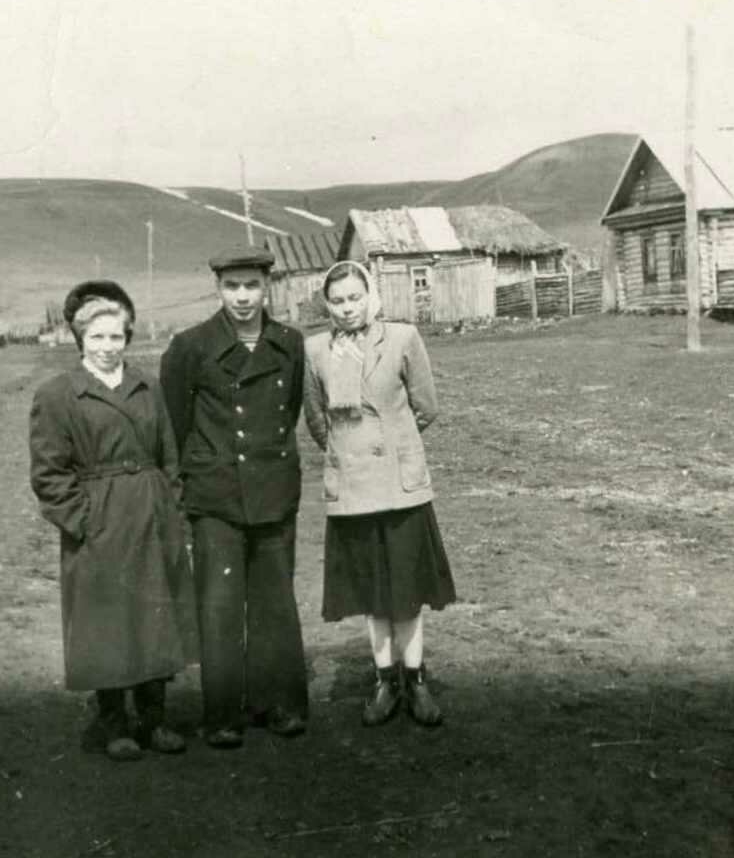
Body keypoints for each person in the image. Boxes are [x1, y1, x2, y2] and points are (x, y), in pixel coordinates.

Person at [28, 280, 195, 761]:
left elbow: (170, 457)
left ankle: (155, 717)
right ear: (80, 339)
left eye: (116, 337)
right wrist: (85, 523)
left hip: (150, 514)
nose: (107, 348)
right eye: (97, 338)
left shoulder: (147, 387)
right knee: (107, 621)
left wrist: (171, 509)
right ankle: (114, 720)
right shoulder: (58, 396)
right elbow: (49, 475)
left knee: (154, 617)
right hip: (100, 525)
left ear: (128, 337)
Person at [159, 247, 309, 747]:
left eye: (251, 286)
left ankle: (278, 704)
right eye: (232, 287)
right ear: (217, 289)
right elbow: (174, 428)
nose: (242, 297)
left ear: (268, 287)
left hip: (273, 490)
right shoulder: (190, 346)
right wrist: (188, 491)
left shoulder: (289, 343)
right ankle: (222, 714)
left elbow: (286, 413)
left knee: (274, 603)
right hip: (216, 494)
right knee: (220, 606)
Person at [303, 260, 456, 728]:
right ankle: (384, 680)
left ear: (370, 295)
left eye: (355, 297)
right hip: (352, 489)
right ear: (327, 305)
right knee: (373, 592)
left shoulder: (404, 338)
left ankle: (415, 680)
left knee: (406, 591)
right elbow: (315, 420)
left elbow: (425, 407)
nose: (348, 308)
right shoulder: (315, 350)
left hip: (400, 487)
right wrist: (349, 452)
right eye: (338, 300)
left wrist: (392, 441)